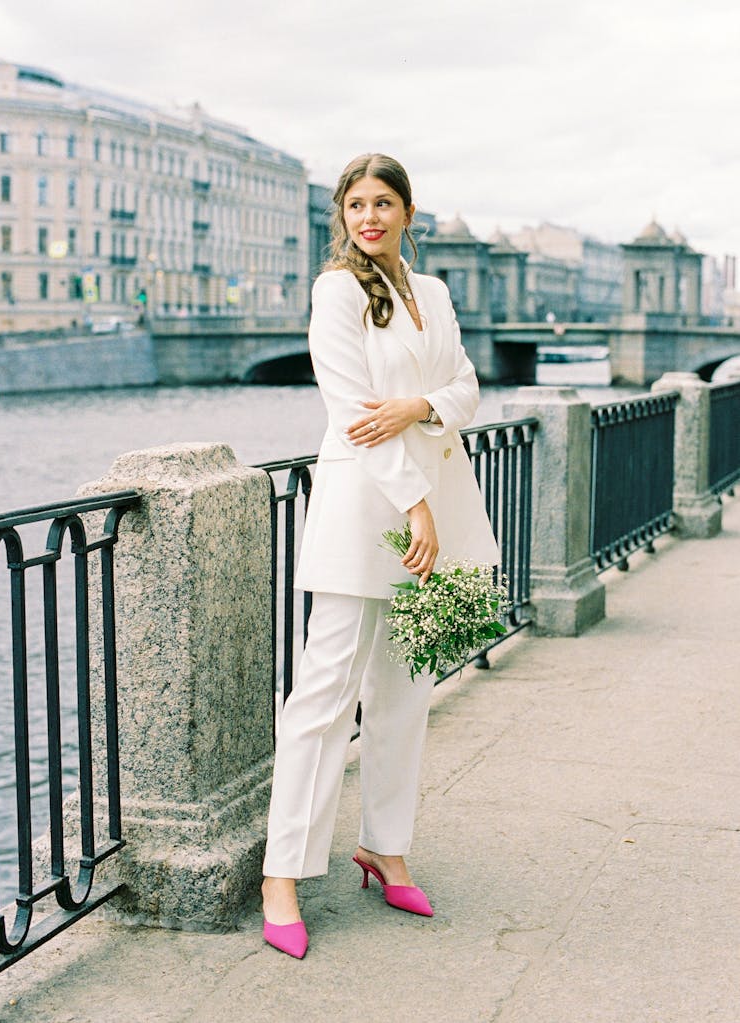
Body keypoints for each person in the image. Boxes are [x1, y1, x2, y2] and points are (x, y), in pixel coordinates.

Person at [261, 153, 499, 959]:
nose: (371, 216)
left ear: (407, 211)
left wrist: (421, 403)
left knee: (404, 691)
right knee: (324, 695)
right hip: (368, 511)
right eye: (357, 203)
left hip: (433, 509)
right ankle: (282, 872)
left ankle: (383, 846)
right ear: (344, 214)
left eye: (384, 202)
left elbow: (466, 386)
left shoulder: (430, 292)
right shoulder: (335, 291)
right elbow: (353, 414)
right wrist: (415, 502)